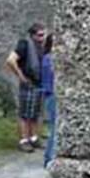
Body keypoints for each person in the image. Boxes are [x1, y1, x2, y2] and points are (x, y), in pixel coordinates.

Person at [5, 23, 46, 152]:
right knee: (25, 113)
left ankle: (33, 138)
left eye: (44, 35)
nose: (42, 38)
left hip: (38, 82)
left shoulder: (40, 46)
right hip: (29, 82)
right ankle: (23, 140)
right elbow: (11, 60)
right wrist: (20, 75)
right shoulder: (24, 44)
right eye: (40, 35)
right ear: (33, 35)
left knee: (35, 112)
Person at [41, 32, 57, 169]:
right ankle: (50, 158)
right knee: (55, 127)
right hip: (53, 94)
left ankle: (49, 157)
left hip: (50, 95)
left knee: (54, 126)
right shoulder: (49, 59)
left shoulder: (47, 58)